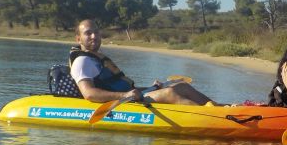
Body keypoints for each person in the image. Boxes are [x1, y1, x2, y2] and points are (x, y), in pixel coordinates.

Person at [70, 19, 216, 105]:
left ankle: (220, 108)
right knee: (169, 93)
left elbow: (119, 86)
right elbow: (89, 94)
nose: (94, 36)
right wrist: (124, 96)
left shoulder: (96, 58)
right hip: (121, 102)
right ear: (78, 39)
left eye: (96, 32)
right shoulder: (82, 62)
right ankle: (216, 117)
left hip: (128, 98)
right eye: (88, 33)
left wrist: (151, 87)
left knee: (181, 86)